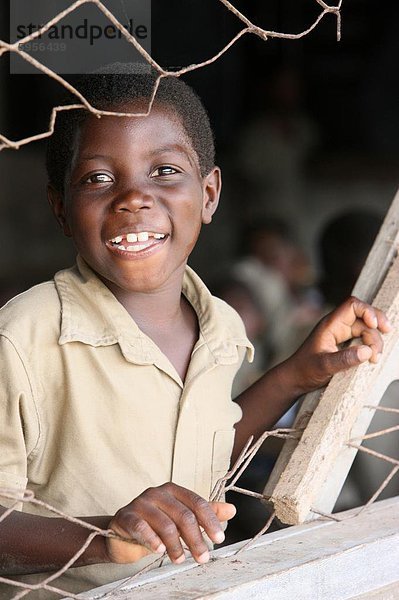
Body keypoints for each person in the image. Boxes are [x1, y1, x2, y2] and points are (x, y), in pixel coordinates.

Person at [0, 67, 390, 598]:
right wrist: (104, 540)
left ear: (208, 195)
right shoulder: (24, 337)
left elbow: (200, 459)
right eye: (98, 178)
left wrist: (293, 376)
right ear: (60, 208)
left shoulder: (221, 326)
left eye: (164, 171)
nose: (133, 197)